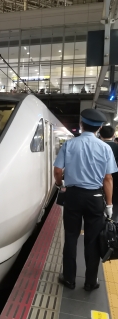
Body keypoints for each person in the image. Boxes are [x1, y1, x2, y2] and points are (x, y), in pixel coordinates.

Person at [54, 109, 118, 291]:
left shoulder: (69, 145)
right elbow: (108, 179)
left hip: (73, 196)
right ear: (99, 128)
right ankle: (91, 281)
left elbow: (57, 171)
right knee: (92, 240)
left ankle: (69, 279)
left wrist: (60, 184)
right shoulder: (105, 148)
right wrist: (110, 205)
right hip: (95, 198)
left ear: (81, 125)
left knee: (71, 237)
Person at [99, 125, 118, 221]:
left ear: (100, 134)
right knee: (114, 213)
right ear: (113, 135)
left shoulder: (97, 147)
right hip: (116, 185)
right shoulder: (117, 147)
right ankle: (112, 226)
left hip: (99, 186)